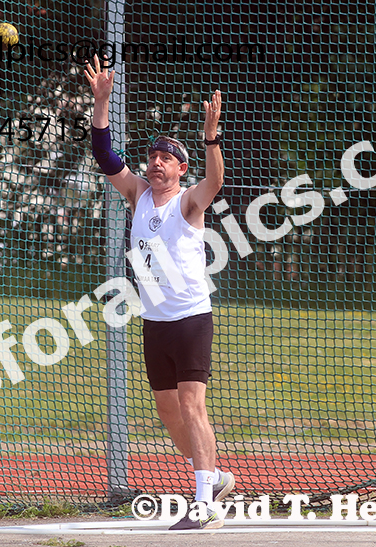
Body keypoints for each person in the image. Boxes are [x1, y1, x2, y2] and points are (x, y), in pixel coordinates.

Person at [84, 55, 234, 530]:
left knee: (192, 405)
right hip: (155, 321)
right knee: (168, 410)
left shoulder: (189, 201)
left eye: (166, 157)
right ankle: (215, 475)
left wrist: (210, 138)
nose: (156, 162)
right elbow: (106, 157)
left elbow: (216, 181)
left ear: (180, 167)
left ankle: (205, 504)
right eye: (153, 156)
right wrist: (102, 102)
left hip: (191, 317)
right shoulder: (138, 196)